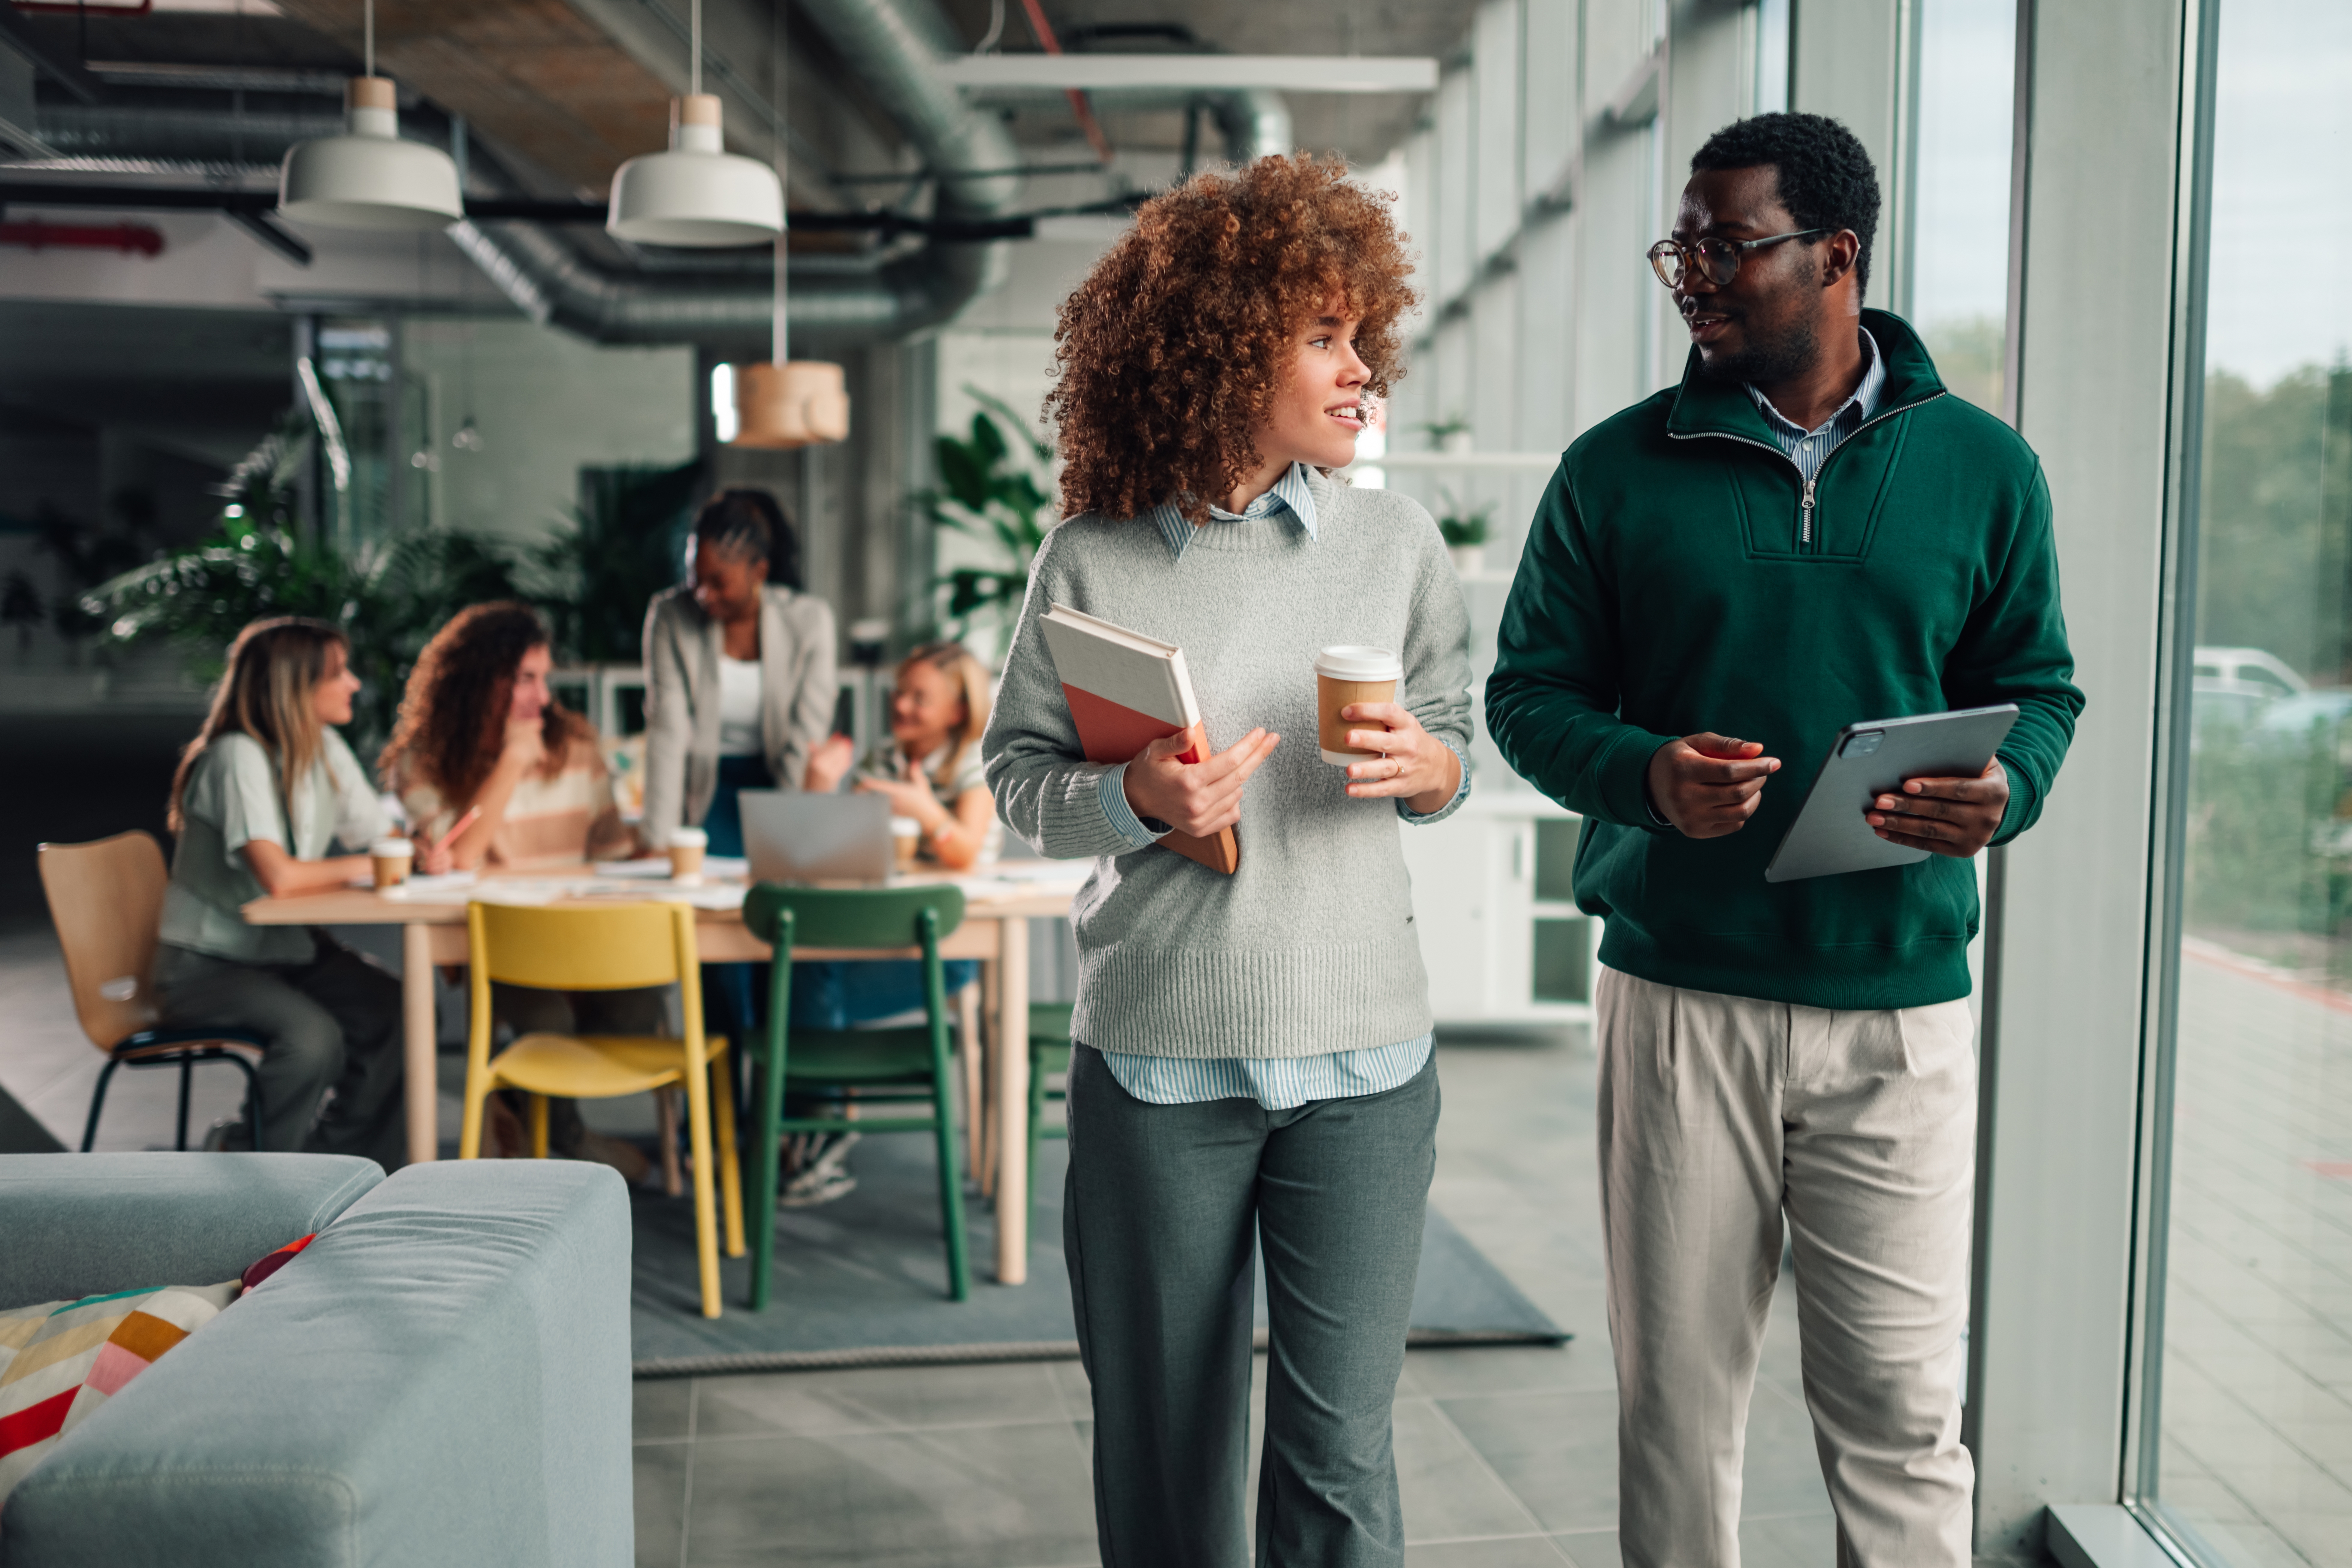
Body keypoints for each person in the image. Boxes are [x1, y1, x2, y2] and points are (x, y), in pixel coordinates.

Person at [1484, 113, 2084, 1568]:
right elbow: (1526, 697)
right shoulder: (1611, 470)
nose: (1691, 273)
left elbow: (2038, 692)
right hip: (1679, 1000)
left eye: (1728, 245)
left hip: (1897, 1012)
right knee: (1677, 1413)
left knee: (1899, 1415)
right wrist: (1642, 775)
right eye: (1679, 246)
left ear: (1835, 254)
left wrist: (2005, 789)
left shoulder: (1985, 469)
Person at [984, 155, 1471, 1568]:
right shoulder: (1088, 557)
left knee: (1337, 1462)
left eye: (1360, 336)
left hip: (1364, 1066)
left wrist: (1429, 769)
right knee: (1166, 1457)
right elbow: (1018, 783)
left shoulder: (1394, 542)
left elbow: (1453, 740)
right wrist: (1136, 796)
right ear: (1220, 351)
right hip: (1157, 1065)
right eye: (1321, 337)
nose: (1358, 369)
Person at [378, 600, 654, 1177]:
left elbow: (614, 855)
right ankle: (570, 1138)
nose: (544, 697)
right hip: (499, 950)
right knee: (548, 1018)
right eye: (527, 678)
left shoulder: (576, 747)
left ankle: (517, 1105)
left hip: (584, 935)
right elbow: (459, 858)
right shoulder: (422, 763)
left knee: (641, 1004)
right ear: (481, 678)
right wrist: (510, 763)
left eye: (544, 679)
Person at [152, 617, 429, 1164]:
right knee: (312, 1041)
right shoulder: (236, 755)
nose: (354, 683)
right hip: (207, 963)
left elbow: (379, 835)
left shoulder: (323, 745)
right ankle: (252, 1162)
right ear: (294, 686)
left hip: (287, 949)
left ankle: (342, 1168)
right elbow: (278, 876)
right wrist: (384, 863)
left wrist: (418, 849)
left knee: (401, 1013)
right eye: (338, 672)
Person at [641, 488, 839, 862]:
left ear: (758, 572)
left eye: (718, 582)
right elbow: (667, 733)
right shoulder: (670, 617)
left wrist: (793, 837)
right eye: (695, 579)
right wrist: (657, 842)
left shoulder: (811, 622)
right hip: (704, 788)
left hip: (779, 783)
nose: (704, 594)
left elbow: (806, 738)